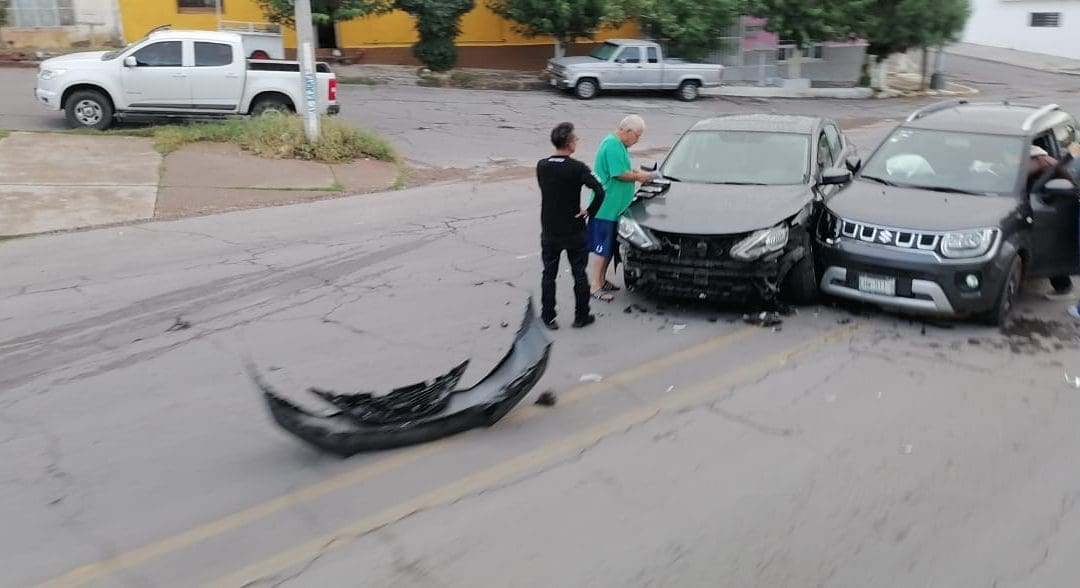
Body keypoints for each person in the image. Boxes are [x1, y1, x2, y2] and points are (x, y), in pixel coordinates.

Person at [536, 122, 606, 330]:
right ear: (568, 144)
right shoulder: (578, 168)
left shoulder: (542, 165)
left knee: (549, 273)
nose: (577, 142)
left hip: (550, 229)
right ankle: (581, 316)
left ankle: (548, 317)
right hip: (574, 229)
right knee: (579, 272)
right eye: (575, 139)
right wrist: (589, 211)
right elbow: (600, 190)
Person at [587, 115, 654, 302]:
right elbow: (619, 174)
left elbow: (625, 170)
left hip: (614, 209)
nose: (638, 140)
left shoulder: (619, 145)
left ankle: (601, 279)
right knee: (602, 248)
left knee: (609, 248)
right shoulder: (612, 145)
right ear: (628, 131)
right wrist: (639, 177)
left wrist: (641, 174)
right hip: (605, 208)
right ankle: (595, 285)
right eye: (637, 136)